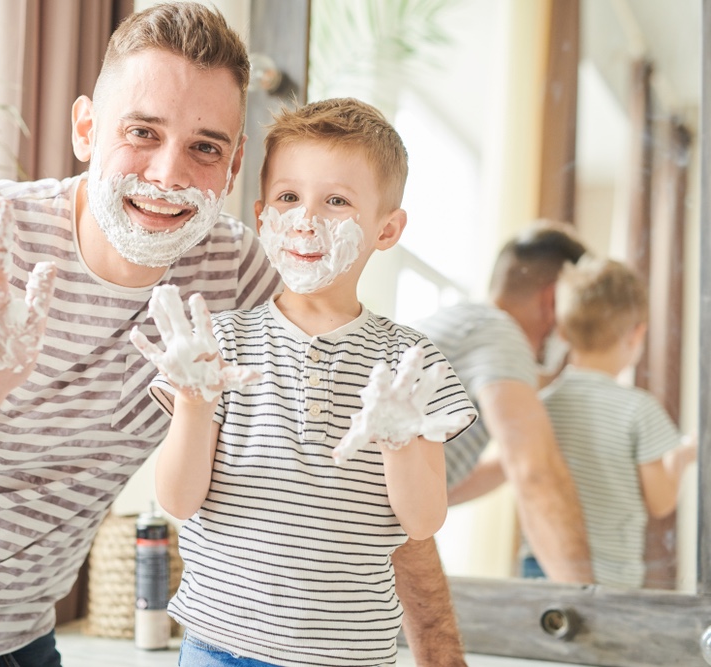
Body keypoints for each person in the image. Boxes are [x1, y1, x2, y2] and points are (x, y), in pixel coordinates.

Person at [0, 4, 471, 666]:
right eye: (142, 133)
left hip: (12, 641)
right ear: (86, 127)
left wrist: (441, 654)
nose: (166, 174)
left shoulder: (242, 277)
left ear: (235, 165)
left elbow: (363, 488)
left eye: (204, 148)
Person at [131, 98, 477, 667]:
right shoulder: (215, 344)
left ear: (387, 229)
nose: (306, 219)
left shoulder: (411, 363)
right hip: (217, 647)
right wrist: (194, 404)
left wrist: (397, 441)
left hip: (348, 656)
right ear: (263, 212)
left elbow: (423, 520)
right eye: (290, 198)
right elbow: (178, 500)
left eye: (336, 201)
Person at [416, 222, 596, 584]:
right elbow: (535, 475)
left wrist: (526, 448)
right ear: (552, 301)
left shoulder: (464, 324)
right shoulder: (500, 332)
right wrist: (587, 605)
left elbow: (432, 493)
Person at [518, 256, 696, 587]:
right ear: (637, 334)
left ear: (563, 331)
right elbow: (661, 501)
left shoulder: (539, 406)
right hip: (611, 577)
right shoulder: (639, 409)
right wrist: (684, 456)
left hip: (542, 566)